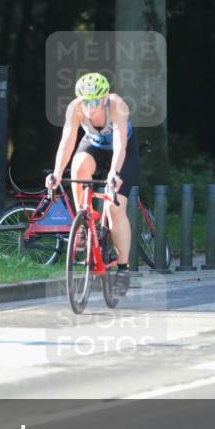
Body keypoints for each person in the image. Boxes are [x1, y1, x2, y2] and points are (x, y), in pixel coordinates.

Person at [46, 72, 140, 295]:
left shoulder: (117, 106)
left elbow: (120, 146)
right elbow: (68, 141)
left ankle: (123, 269)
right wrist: (57, 173)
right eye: (86, 101)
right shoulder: (76, 108)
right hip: (94, 147)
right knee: (78, 168)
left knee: (114, 208)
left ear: (105, 98)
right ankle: (84, 222)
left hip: (121, 153)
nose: (89, 107)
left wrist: (114, 174)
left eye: (95, 102)